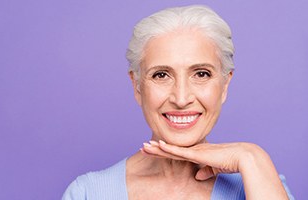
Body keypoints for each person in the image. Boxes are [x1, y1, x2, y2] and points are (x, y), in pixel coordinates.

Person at [62, 5, 294, 200]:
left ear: (224, 86)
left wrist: (252, 155)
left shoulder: (259, 182)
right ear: (137, 86)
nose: (181, 99)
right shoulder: (88, 193)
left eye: (201, 74)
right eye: (161, 75)